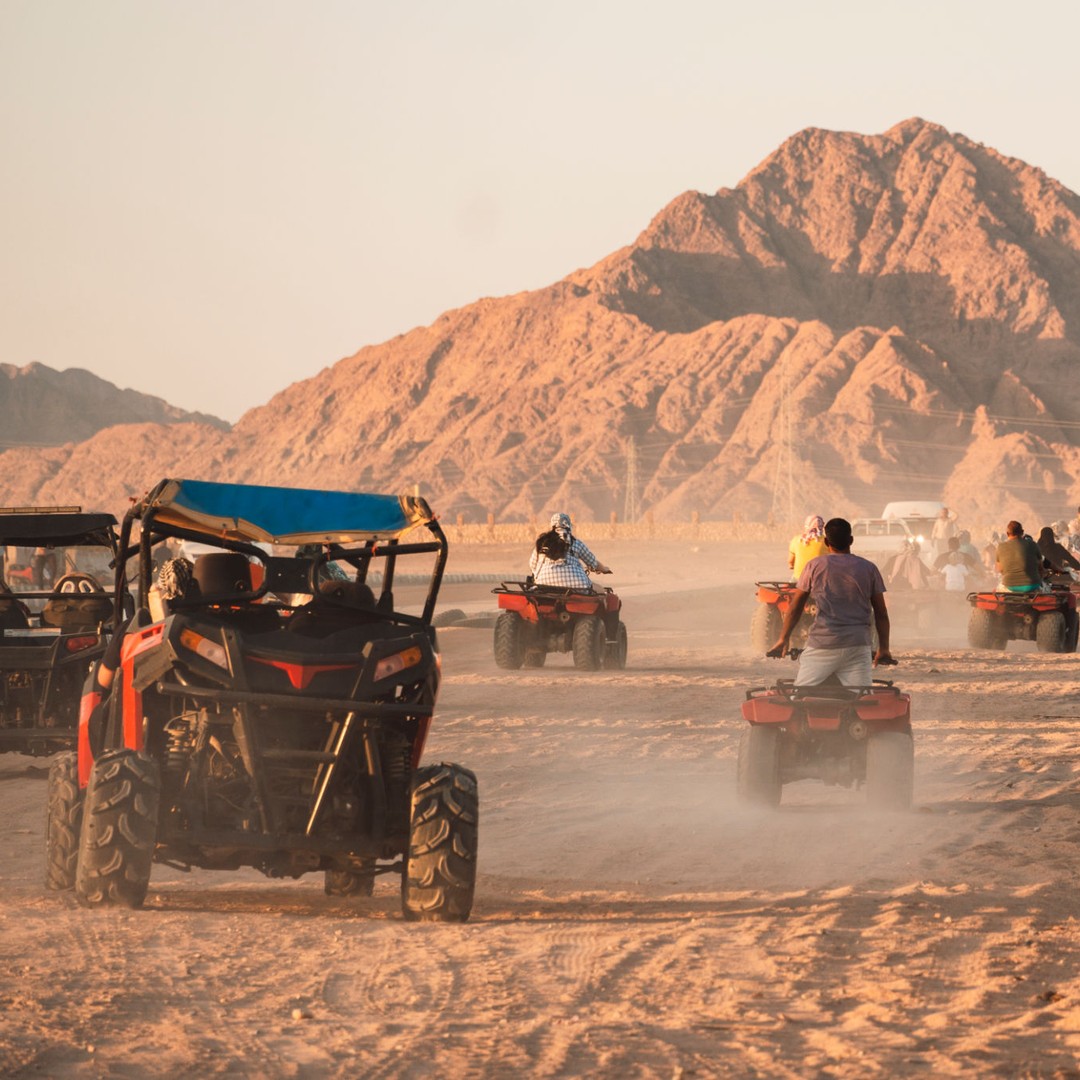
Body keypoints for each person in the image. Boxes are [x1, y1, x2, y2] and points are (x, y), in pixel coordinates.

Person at [767, 517, 894, 686]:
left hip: (822, 645)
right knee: (863, 699)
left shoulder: (814, 566)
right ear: (851, 540)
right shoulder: (869, 568)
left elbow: (795, 607)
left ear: (826, 542)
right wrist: (884, 648)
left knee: (800, 696)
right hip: (858, 646)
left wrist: (783, 639)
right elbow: (881, 613)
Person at [529, 512, 611, 590]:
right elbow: (593, 563)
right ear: (569, 526)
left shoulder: (542, 542)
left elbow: (532, 565)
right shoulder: (576, 543)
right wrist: (604, 569)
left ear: (552, 526)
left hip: (544, 584)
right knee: (596, 590)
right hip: (577, 585)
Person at [995, 521, 1044, 592]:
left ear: (1007, 534)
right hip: (1032, 586)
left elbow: (1000, 569)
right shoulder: (1033, 545)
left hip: (1009, 586)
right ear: (1022, 532)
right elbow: (1041, 568)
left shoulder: (1000, 547)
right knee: (1047, 590)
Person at [787, 515, 828, 581]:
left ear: (806, 526)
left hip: (799, 579)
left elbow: (790, 561)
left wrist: (791, 566)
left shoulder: (796, 540)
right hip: (819, 579)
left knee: (794, 579)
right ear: (822, 526)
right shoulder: (827, 541)